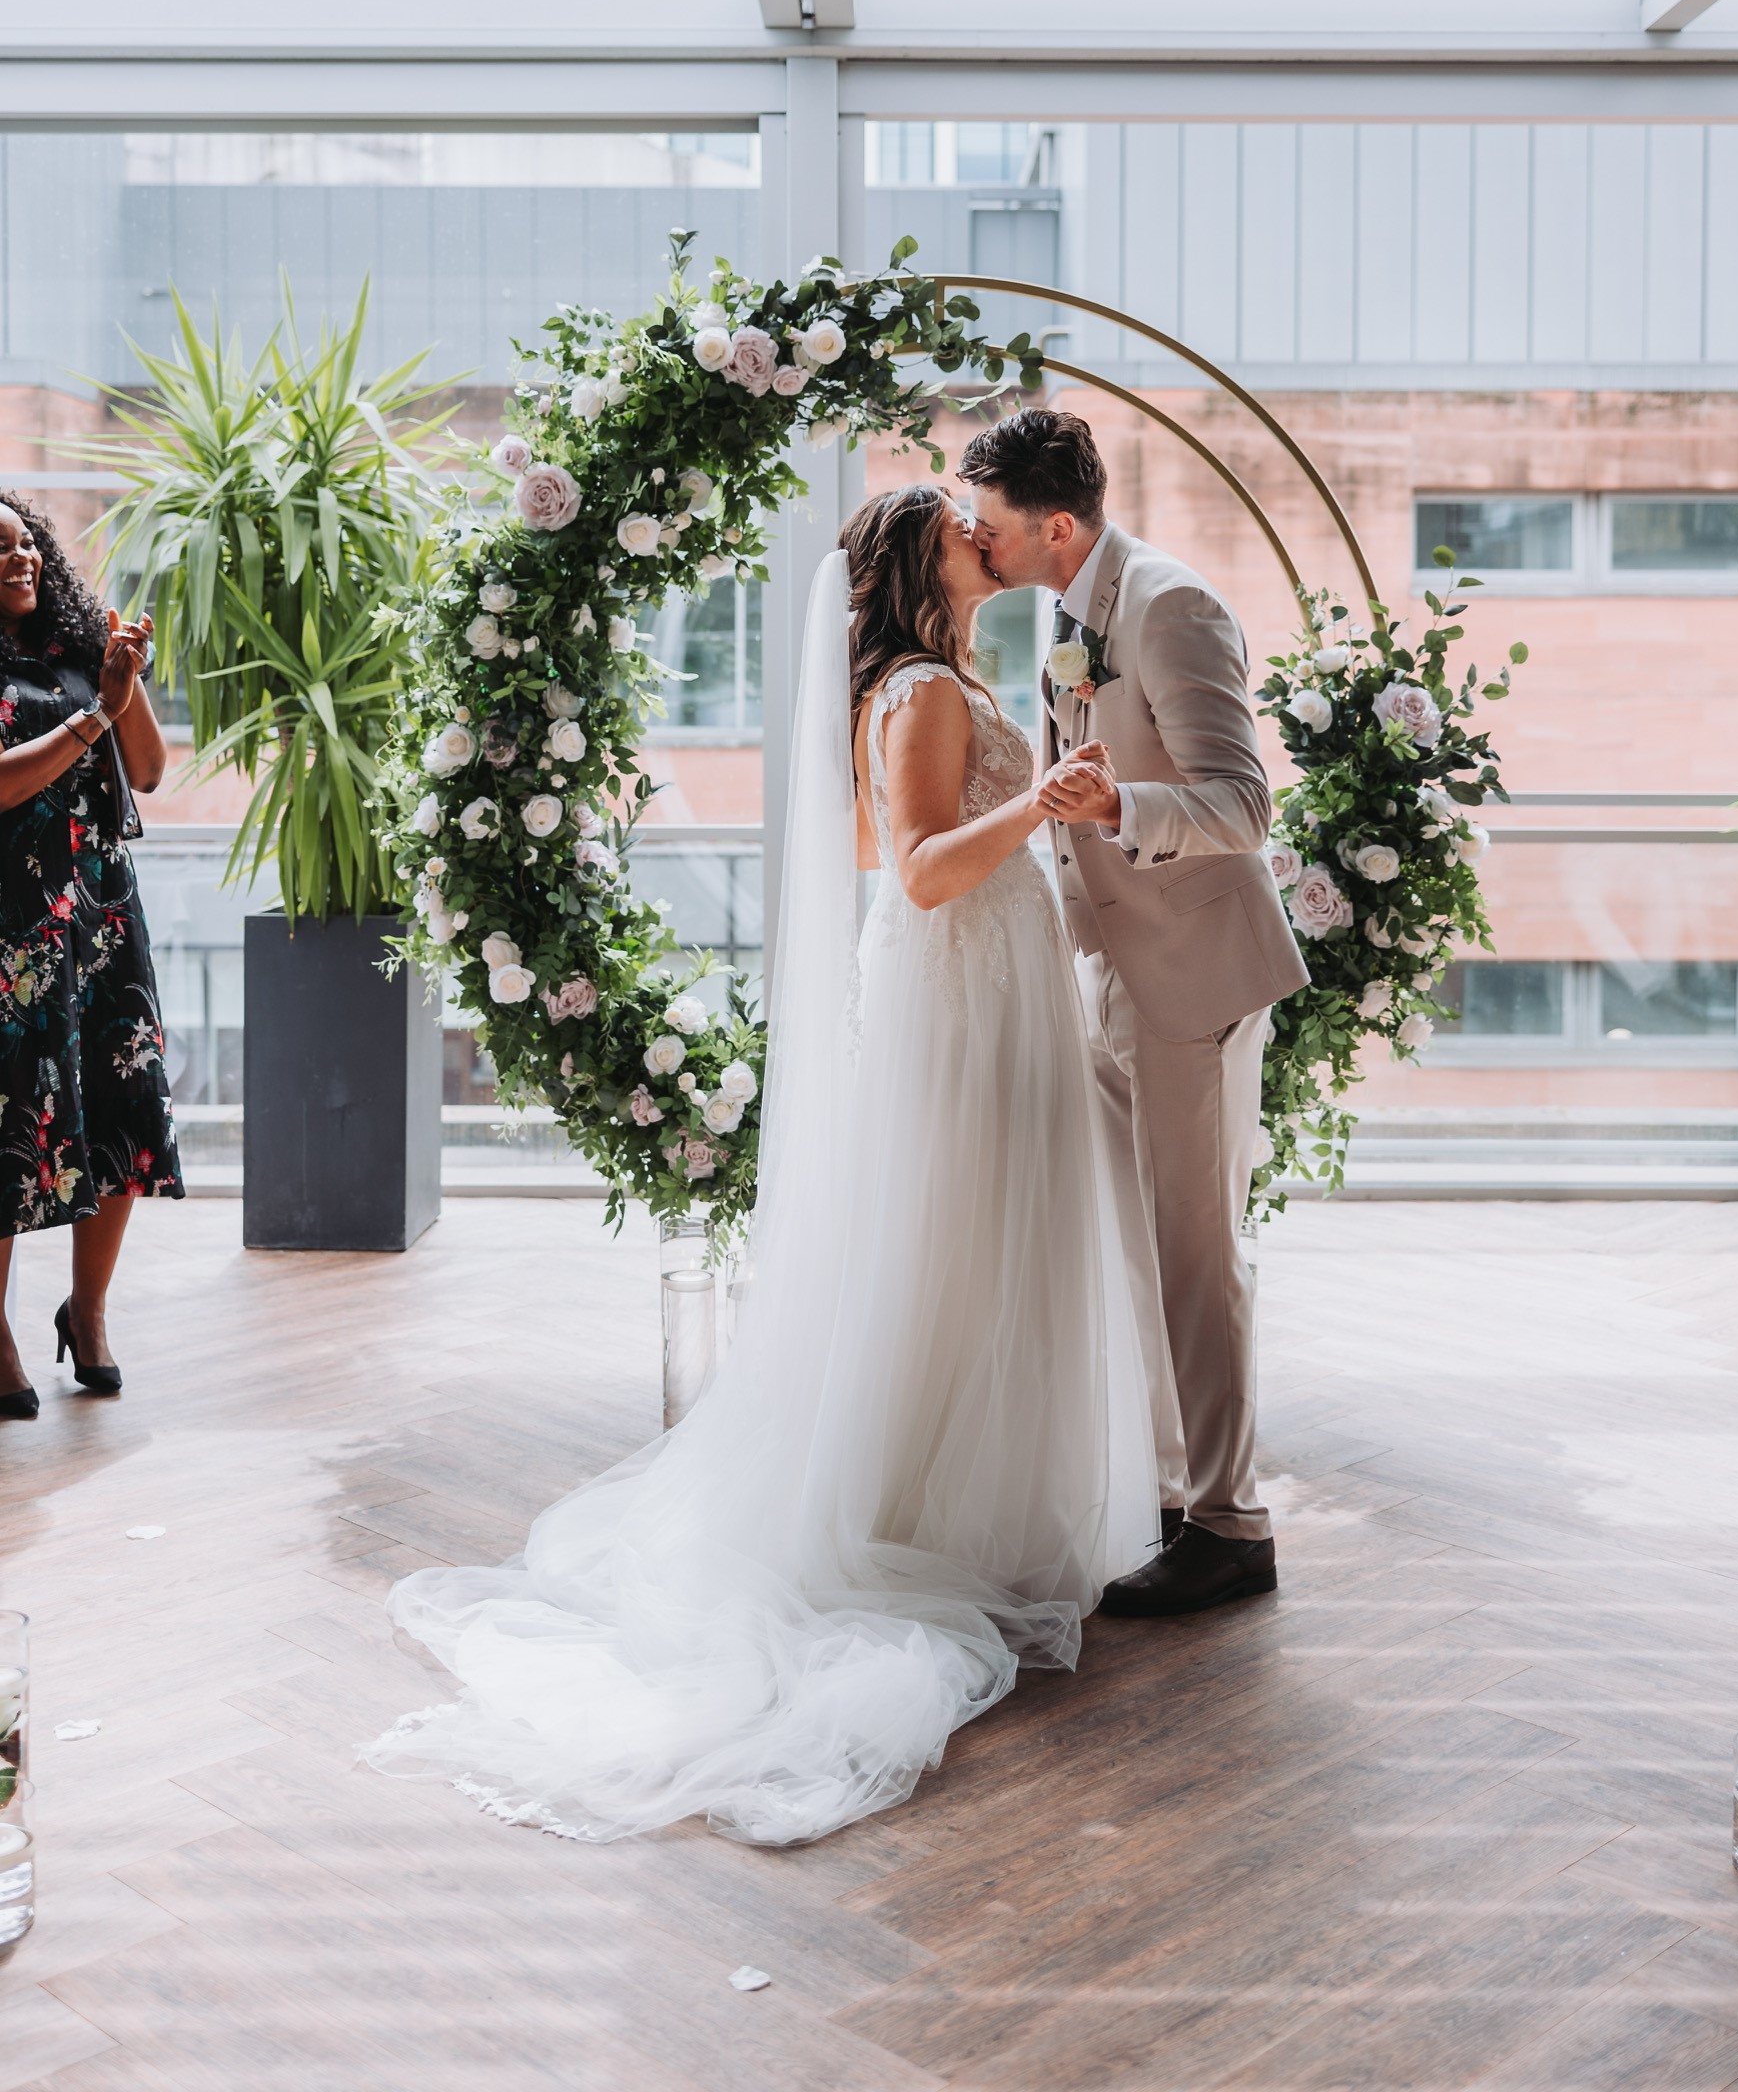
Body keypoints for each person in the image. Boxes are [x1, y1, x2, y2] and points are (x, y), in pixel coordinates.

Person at [364, 485, 1157, 1847]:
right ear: (921, 558)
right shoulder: (917, 690)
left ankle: (983, 1502)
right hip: (958, 995)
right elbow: (913, 872)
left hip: (995, 983)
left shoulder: (954, 675)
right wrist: (1038, 805)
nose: (986, 529)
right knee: (956, 1240)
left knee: (987, 1246)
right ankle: (921, 1511)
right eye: (963, 524)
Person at [960, 410, 1308, 1618]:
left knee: (1198, 1256)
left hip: (1196, 977)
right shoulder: (1067, 612)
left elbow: (1242, 804)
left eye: (992, 527)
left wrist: (1117, 811)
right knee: (1140, 1247)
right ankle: (1172, 1493)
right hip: (1115, 970)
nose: (977, 544)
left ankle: (1231, 1520)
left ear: (1057, 522)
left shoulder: (1169, 605)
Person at [0, 494, 181, 1420]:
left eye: (27, 542)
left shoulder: (80, 649)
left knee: (121, 1106)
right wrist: (89, 723)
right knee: (11, 1127)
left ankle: (90, 1310)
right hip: (10, 928)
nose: (20, 558)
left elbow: (146, 772)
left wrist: (122, 686)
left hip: (102, 915)